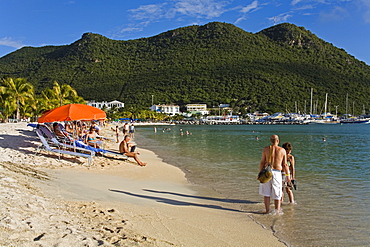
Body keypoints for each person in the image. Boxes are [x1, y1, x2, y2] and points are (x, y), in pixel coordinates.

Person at [259, 135, 291, 214]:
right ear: (278, 141)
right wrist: (288, 177)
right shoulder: (282, 150)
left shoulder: (266, 149)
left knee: (266, 193)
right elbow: (285, 165)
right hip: (277, 172)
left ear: (270, 140)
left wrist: (260, 173)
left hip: (267, 171)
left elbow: (262, 162)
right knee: (277, 193)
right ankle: (277, 211)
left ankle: (267, 211)